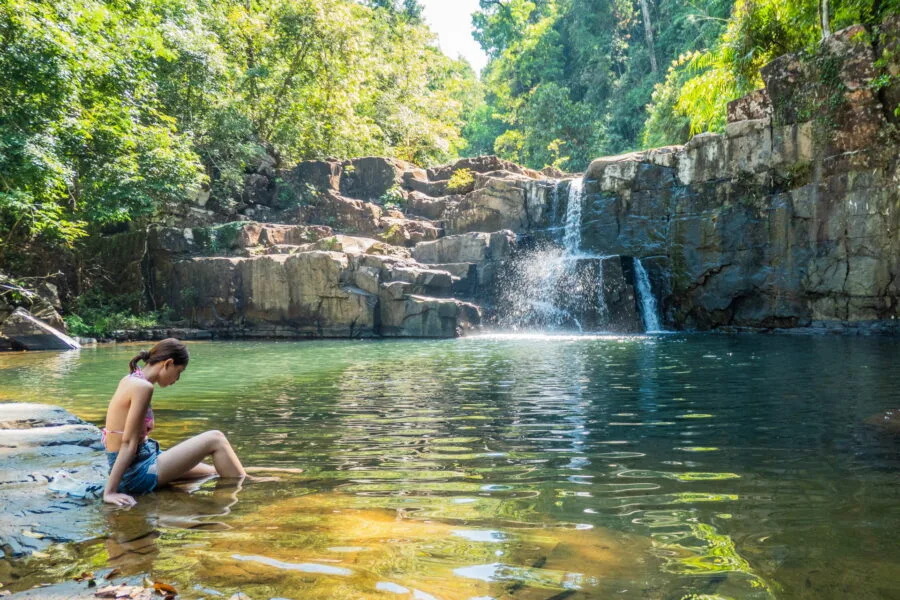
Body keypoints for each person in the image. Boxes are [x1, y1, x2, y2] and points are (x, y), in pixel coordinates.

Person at [102, 338, 246, 506]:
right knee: (216, 438)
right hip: (136, 472)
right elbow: (128, 443)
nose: (177, 379)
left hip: (146, 458)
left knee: (216, 470)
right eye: (179, 372)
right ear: (168, 363)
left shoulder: (131, 379)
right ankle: (243, 495)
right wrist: (110, 492)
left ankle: (257, 476)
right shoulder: (142, 388)